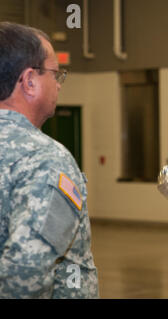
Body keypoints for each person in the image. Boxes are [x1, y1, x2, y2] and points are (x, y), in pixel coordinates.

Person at [0, 22, 98, 298]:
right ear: (29, 81)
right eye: (56, 74)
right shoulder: (45, 158)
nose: (58, 85)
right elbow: (24, 274)